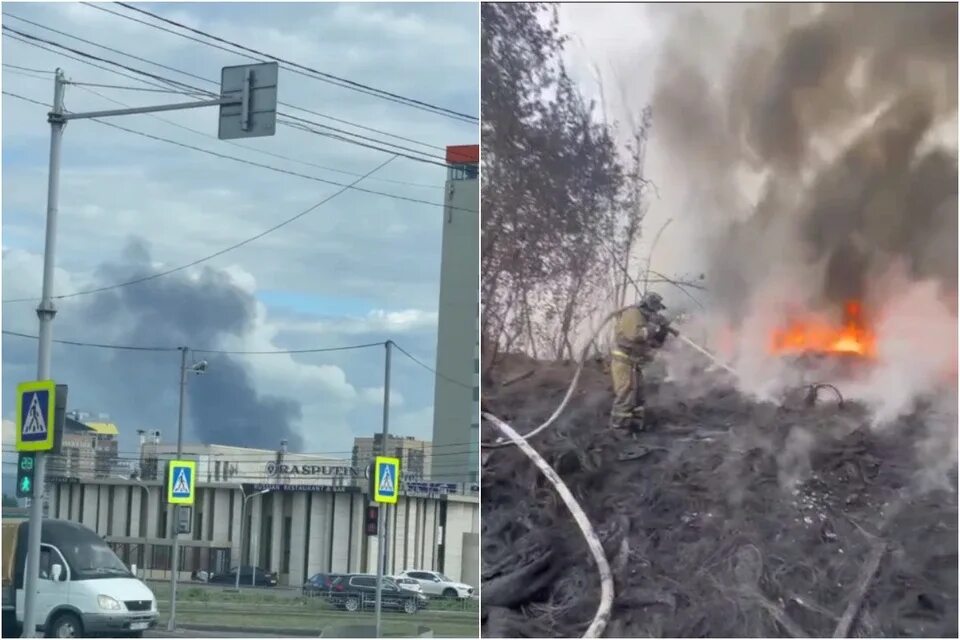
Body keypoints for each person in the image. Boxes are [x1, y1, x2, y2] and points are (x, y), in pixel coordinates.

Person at [609, 292, 673, 434]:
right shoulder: (633, 314)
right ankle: (619, 428)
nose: (657, 312)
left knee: (639, 395)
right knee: (626, 394)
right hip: (623, 361)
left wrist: (662, 331)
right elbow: (636, 335)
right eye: (656, 309)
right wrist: (654, 325)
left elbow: (654, 344)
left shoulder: (645, 319)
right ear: (649, 306)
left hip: (634, 363)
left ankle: (636, 424)